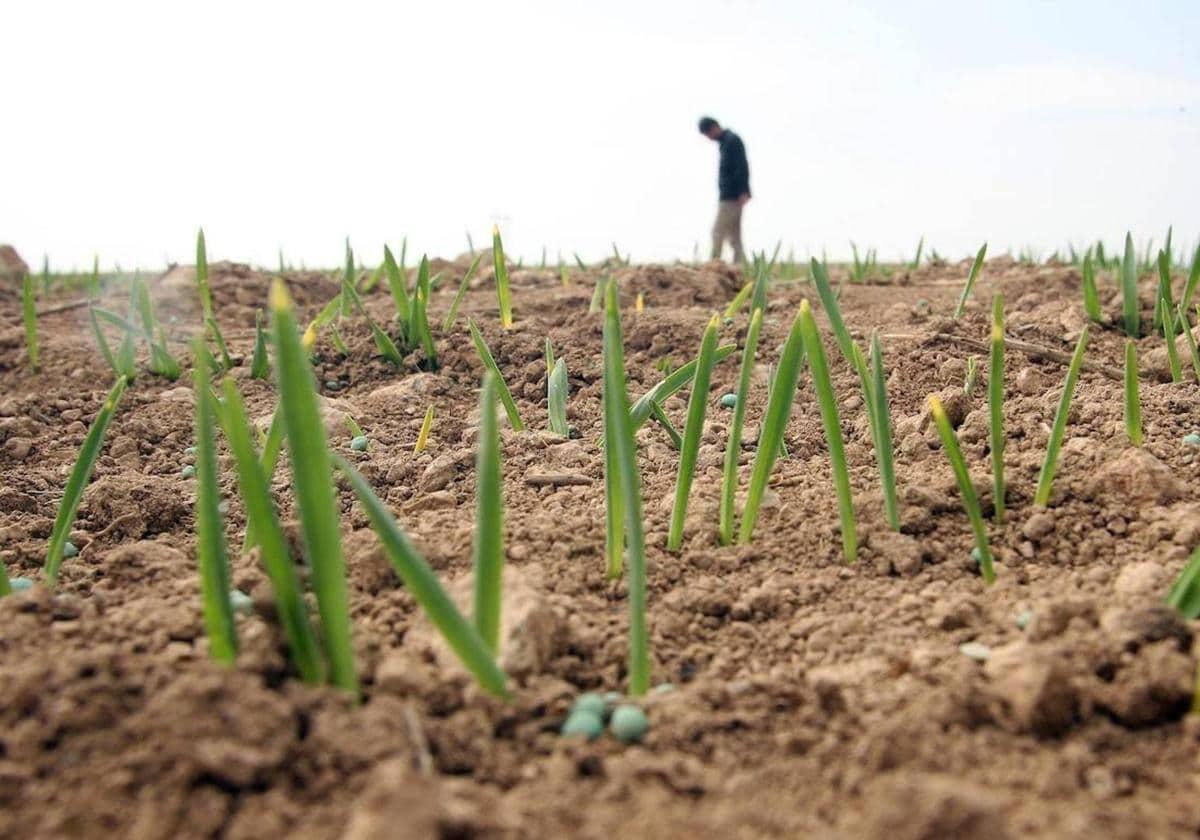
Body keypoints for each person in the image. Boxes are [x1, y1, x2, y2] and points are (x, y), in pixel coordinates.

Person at [698, 116, 750, 264]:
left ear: (714, 127)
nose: (708, 138)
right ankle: (740, 268)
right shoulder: (725, 143)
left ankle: (713, 268)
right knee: (734, 236)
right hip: (730, 195)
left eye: (707, 134)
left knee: (717, 231)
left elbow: (741, 166)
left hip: (731, 196)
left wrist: (743, 191)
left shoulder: (732, 141)